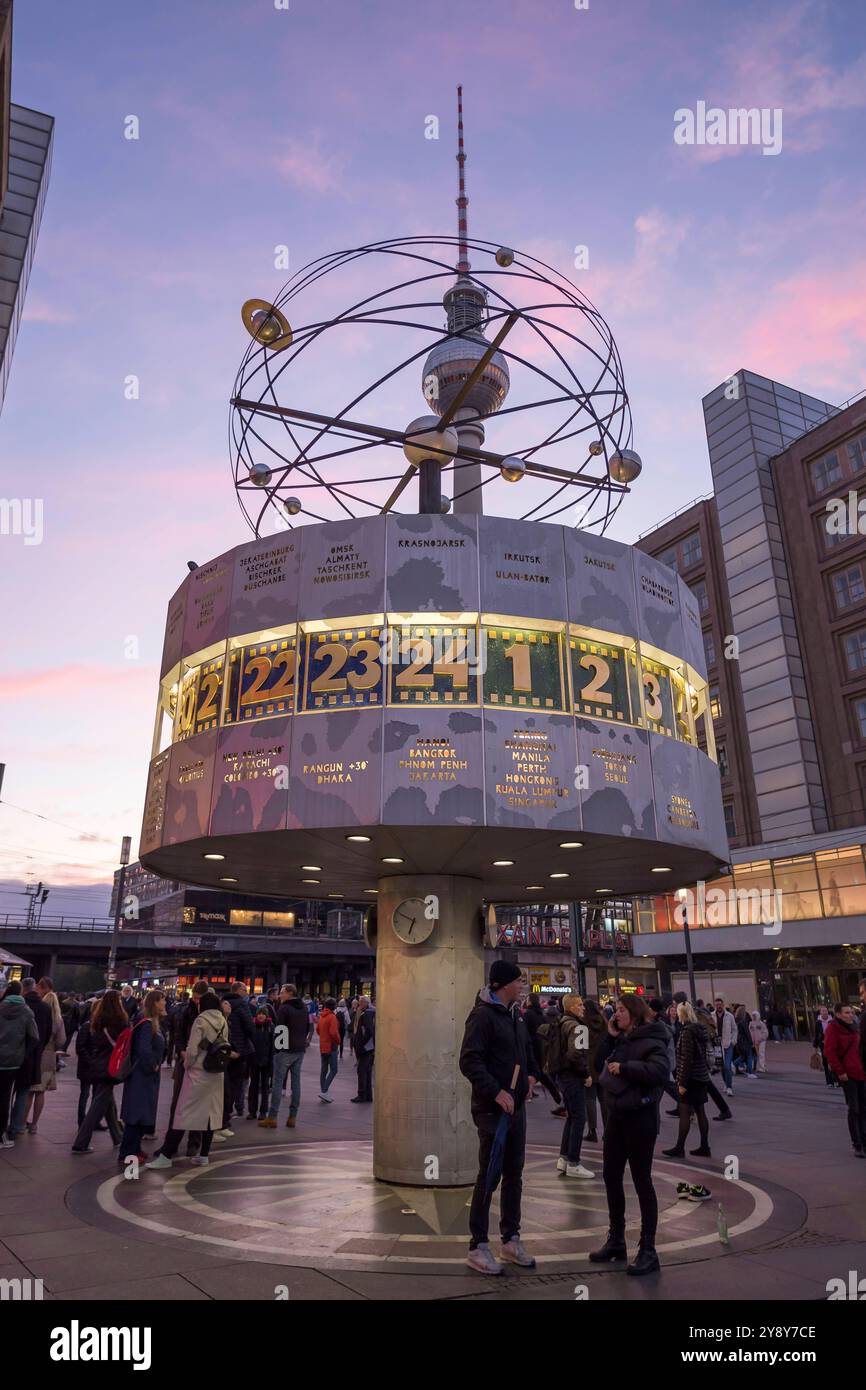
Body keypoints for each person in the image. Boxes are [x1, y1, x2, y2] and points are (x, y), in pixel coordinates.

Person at [459, 960, 540, 1276]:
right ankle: (478, 1245)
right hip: (493, 1111)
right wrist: (497, 1092)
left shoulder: (514, 1014)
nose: (523, 986)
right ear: (504, 984)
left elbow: (525, 1051)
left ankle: (510, 1238)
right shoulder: (483, 1017)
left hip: (516, 1108)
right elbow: (469, 1060)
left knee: (514, 1175)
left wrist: (531, 1076)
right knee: (489, 1175)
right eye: (519, 981)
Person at [591, 994, 669, 1276]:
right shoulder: (621, 1039)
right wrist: (610, 1038)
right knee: (611, 1175)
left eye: (621, 1010)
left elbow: (661, 1071)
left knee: (641, 1180)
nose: (616, 1014)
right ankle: (616, 1239)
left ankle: (648, 1248)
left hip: (640, 1117)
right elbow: (598, 1064)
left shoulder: (654, 1038)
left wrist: (625, 1068)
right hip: (617, 1115)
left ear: (634, 1014)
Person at [147, 991, 229, 1168]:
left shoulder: (200, 1021)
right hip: (216, 1073)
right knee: (210, 1114)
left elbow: (192, 1050)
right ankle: (204, 1155)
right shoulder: (223, 1021)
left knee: (183, 1113)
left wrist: (186, 1064)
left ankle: (166, 1155)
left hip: (198, 1073)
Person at [71, 990, 128, 1152]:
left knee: (108, 1102)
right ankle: (80, 1142)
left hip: (98, 1063)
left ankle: (118, 1138)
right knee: (97, 1106)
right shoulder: (120, 1020)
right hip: (111, 1066)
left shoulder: (97, 1020)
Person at [118, 990, 166, 1164]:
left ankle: (134, 1148)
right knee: (136, 1113)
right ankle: (128, 1152)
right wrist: (152, 1064)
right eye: (162, 1000)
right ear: (154, 1003)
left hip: (144, 1075)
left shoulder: (147, 1022)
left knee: (139, 1112)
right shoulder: (147, 1024)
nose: (164, 1003)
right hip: (142, 1076)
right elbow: (143, 1049)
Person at [551, 994, 594, 1178]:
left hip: (561, 1076)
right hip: (573, 1077)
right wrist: (586, 1074)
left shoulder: (561, 1022)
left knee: (571, 1117)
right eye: (579, 1004)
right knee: (579, 1119)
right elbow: (577, 1054)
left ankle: (564, 1158)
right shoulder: (579, 1027)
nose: (583, 1007)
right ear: (572, 1007)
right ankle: (574, 1162)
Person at [662, 1001, 711, 1159]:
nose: (676, 1014)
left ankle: (680, 1147)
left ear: (683, 1013)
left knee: (684, 1112)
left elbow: (686, 1059)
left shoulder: (687, 1032)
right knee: (700, 1111)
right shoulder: (700, 1029)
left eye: (678, 1012)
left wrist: (681, 1083)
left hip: (691, 1078)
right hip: (702, 1076)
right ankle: (704, 1145)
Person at [7, 977, 53, 1139]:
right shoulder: (46, 1009)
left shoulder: (17, 1005)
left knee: (6, 1092)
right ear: (35, 988)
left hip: (9, 1055)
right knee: (23, 1092)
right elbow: (46, 1035)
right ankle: (17, 1126)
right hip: (32, 1057)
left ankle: (4, 1125)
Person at [19, 978, 66, 1133]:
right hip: (49, 1056)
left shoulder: (39, 1011)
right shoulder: (58, 1019)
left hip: (36, 1054)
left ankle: (21, 1122)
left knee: (29, 1091)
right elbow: (62, 1040)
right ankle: (34, 1125)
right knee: (41, 1092)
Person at [260, 983, 310, 1129]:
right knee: (296, 1083)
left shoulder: (285, 1008)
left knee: (277, 1083)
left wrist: (277, 1049)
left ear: (289, 993)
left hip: (285, 1050)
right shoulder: (304, 1008)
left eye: (282, 992)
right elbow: (307, 1027)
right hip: (299, 1049)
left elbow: (280, 1029)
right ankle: (292, 1117)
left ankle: (272, 1117)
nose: (280, 995)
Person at [823, 1002, 866, 1158]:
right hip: (848, 1075)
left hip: (861, 1072)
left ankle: (864, 1141)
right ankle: (857, 1144)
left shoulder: (855, 1027)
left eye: (851, 1012)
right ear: (838, 1014)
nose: (850, 1015)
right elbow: (830, 1052)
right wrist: (840, 1072)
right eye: (847, 1013)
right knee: (854, 1109)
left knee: (863, 1109)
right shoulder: (833, 1029)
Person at [0, 981, 38, 1146]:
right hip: (13, 1062)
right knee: (5, 1098)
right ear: (21, 992)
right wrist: (23, 1054)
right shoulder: (26, 1011)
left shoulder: (0, 1007)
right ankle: (1, 1135)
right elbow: (34, 1037)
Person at [223, 981, 256, 1130]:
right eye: (245, 989)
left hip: (224, 1048)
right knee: (236, 1083)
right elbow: (249, 1027)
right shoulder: (243, 1005)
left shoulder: (222, 1002)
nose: (247, 992)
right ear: (238, 991)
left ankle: (223, 1112)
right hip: (240, 1049)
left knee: (224, 1082)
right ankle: (230, 1112)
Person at [523, 992, 563, 1110]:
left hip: (530, 1048)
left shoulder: (528, 1014)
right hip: (541, 1047)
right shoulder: (540, 1014)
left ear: (530, 1001)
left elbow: (524, 1033)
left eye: (527, 998)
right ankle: (557, 1098)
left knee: (538, 1073)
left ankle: (528, 1093)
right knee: (540, 1074)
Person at [582, 997, 607, 1141]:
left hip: (588, 1063)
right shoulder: (603, 1021)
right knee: (603, 1099)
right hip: (601, 1062)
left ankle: (592, 1131)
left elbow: (582, 1046)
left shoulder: (583, 1023)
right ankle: (607, 1131)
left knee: (589, 1098)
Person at [248, 1008, 275, 1120]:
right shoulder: (252, 1026)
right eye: (259, 1013)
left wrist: (271, 1061)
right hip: (254, 1060)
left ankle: (263, 1111)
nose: (261, 1016)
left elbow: (273, 1047)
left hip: (266, 1061)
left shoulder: (271, 1027)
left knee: (265, 1087)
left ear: (266, 1015)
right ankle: (252, 1111)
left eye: (263, 1014)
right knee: (253, 1086)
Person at [316, 998, 341, 1101]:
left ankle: (324, 1092)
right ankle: (324, 1091)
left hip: (323, 1046)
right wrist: (338, 1041)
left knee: (324, 1070)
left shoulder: (322, 1016)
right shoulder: (332, 1017)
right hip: (331, 1046)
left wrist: (323, 1037)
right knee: (334, 1070)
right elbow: (333, 1032)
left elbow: (318, 1030)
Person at [352, 995, 375, 1103]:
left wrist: (361, 1044)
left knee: (361, 1070)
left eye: (361, 1002)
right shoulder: (370, 1013)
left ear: (366, 1003)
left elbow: (369, 1031)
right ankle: (368, 1095)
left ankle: (362, 1094)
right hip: (369, 1047)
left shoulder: (366, 1014)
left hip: (366, 1048)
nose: (359, 1005)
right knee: (367, 1071)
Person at [713, 997, 736, 1096]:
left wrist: (733, 1040)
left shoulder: (729, 1016)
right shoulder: (711, 1016)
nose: (719, 1006)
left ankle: (729, 1087)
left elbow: (735, 1029)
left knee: (727, 1066)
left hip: (728, 1044)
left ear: (723, 1005)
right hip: (717, 1046)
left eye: (720, 1004)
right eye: (717, 1005)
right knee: (722, 1067)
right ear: (715, 1006)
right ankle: (726, 1083)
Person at [813, 1006, 836, 1087]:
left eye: (826, 1010)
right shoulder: (818, 1022)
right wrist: (815, 1048)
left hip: (833, 1044)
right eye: (823, 1011)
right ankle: (829, 1082)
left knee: (834, 1061)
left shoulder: (832, 1021)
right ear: (820, 1012)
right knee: (826, 1062)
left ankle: (837, 1080)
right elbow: (816, 1035)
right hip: (823, 1044)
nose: (825, 1012)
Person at [733, 1005, 756, 1077]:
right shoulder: (743, 1021)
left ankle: (732, 1065)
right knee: (749, 1056)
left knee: (742, 1056)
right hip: (744, 1041)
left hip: (738, 1041)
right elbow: (747, 1032)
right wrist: (751, 1042)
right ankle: (750, 1072)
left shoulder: (735, 1020)